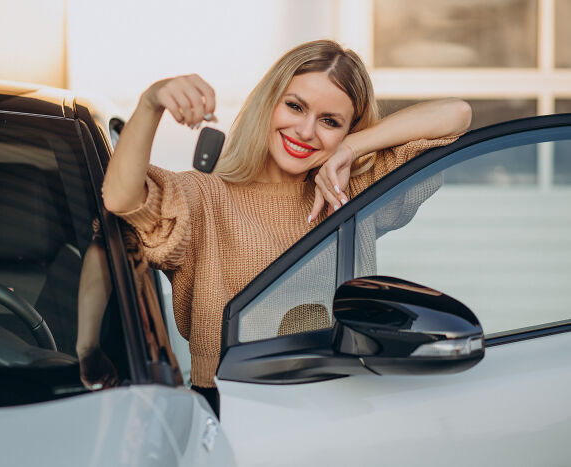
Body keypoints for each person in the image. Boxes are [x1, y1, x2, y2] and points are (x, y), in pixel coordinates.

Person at [96, 40, 472, 415]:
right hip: (235, 411)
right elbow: (120, 198)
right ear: (269, 103)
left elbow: (455, 114)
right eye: (295, 106)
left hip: (346, 406)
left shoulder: (352, 190)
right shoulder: (205, 198)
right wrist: (151, 102)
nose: (306, 131)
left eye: (330, 121)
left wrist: (350, 149)